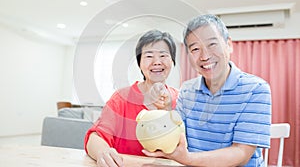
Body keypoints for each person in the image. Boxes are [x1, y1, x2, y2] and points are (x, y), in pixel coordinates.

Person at [143, 14, 272, 166]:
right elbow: (178, 133)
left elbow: (241, 154)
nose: (205, 56)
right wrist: (165, 110)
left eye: (212, 44)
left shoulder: (256, 89)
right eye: (196, 49)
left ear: (228, 45)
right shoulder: (187, 90)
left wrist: (187, 159)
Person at [84, 29, 179, 167]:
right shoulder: (121, 98)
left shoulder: (182, 99)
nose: (157, 62)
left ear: (172, 61)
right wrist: (103, 152)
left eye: (163, 55)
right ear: (139, 63)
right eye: (149, 56)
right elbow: (96, 137)